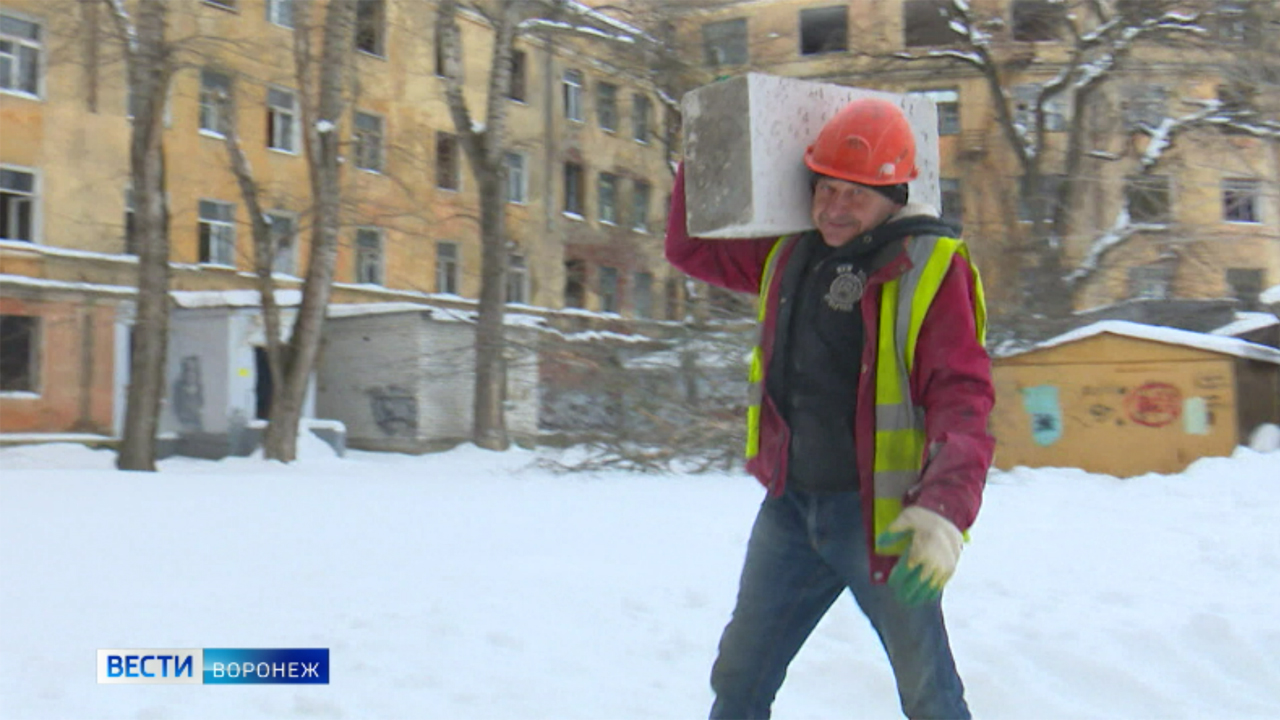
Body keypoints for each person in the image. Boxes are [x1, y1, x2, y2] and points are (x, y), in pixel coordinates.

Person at [665, 97, 995, 720]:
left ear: (894, 195)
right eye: (825, 188)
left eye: (856, 195)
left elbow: (963, 394)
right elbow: (691, 250)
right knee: (739, 678)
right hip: (791, 510)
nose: (834, 207)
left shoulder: (930, 265)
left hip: (880, 521)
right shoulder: (791, 252)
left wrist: (946, 511)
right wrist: (703, 153)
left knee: (929, 694)